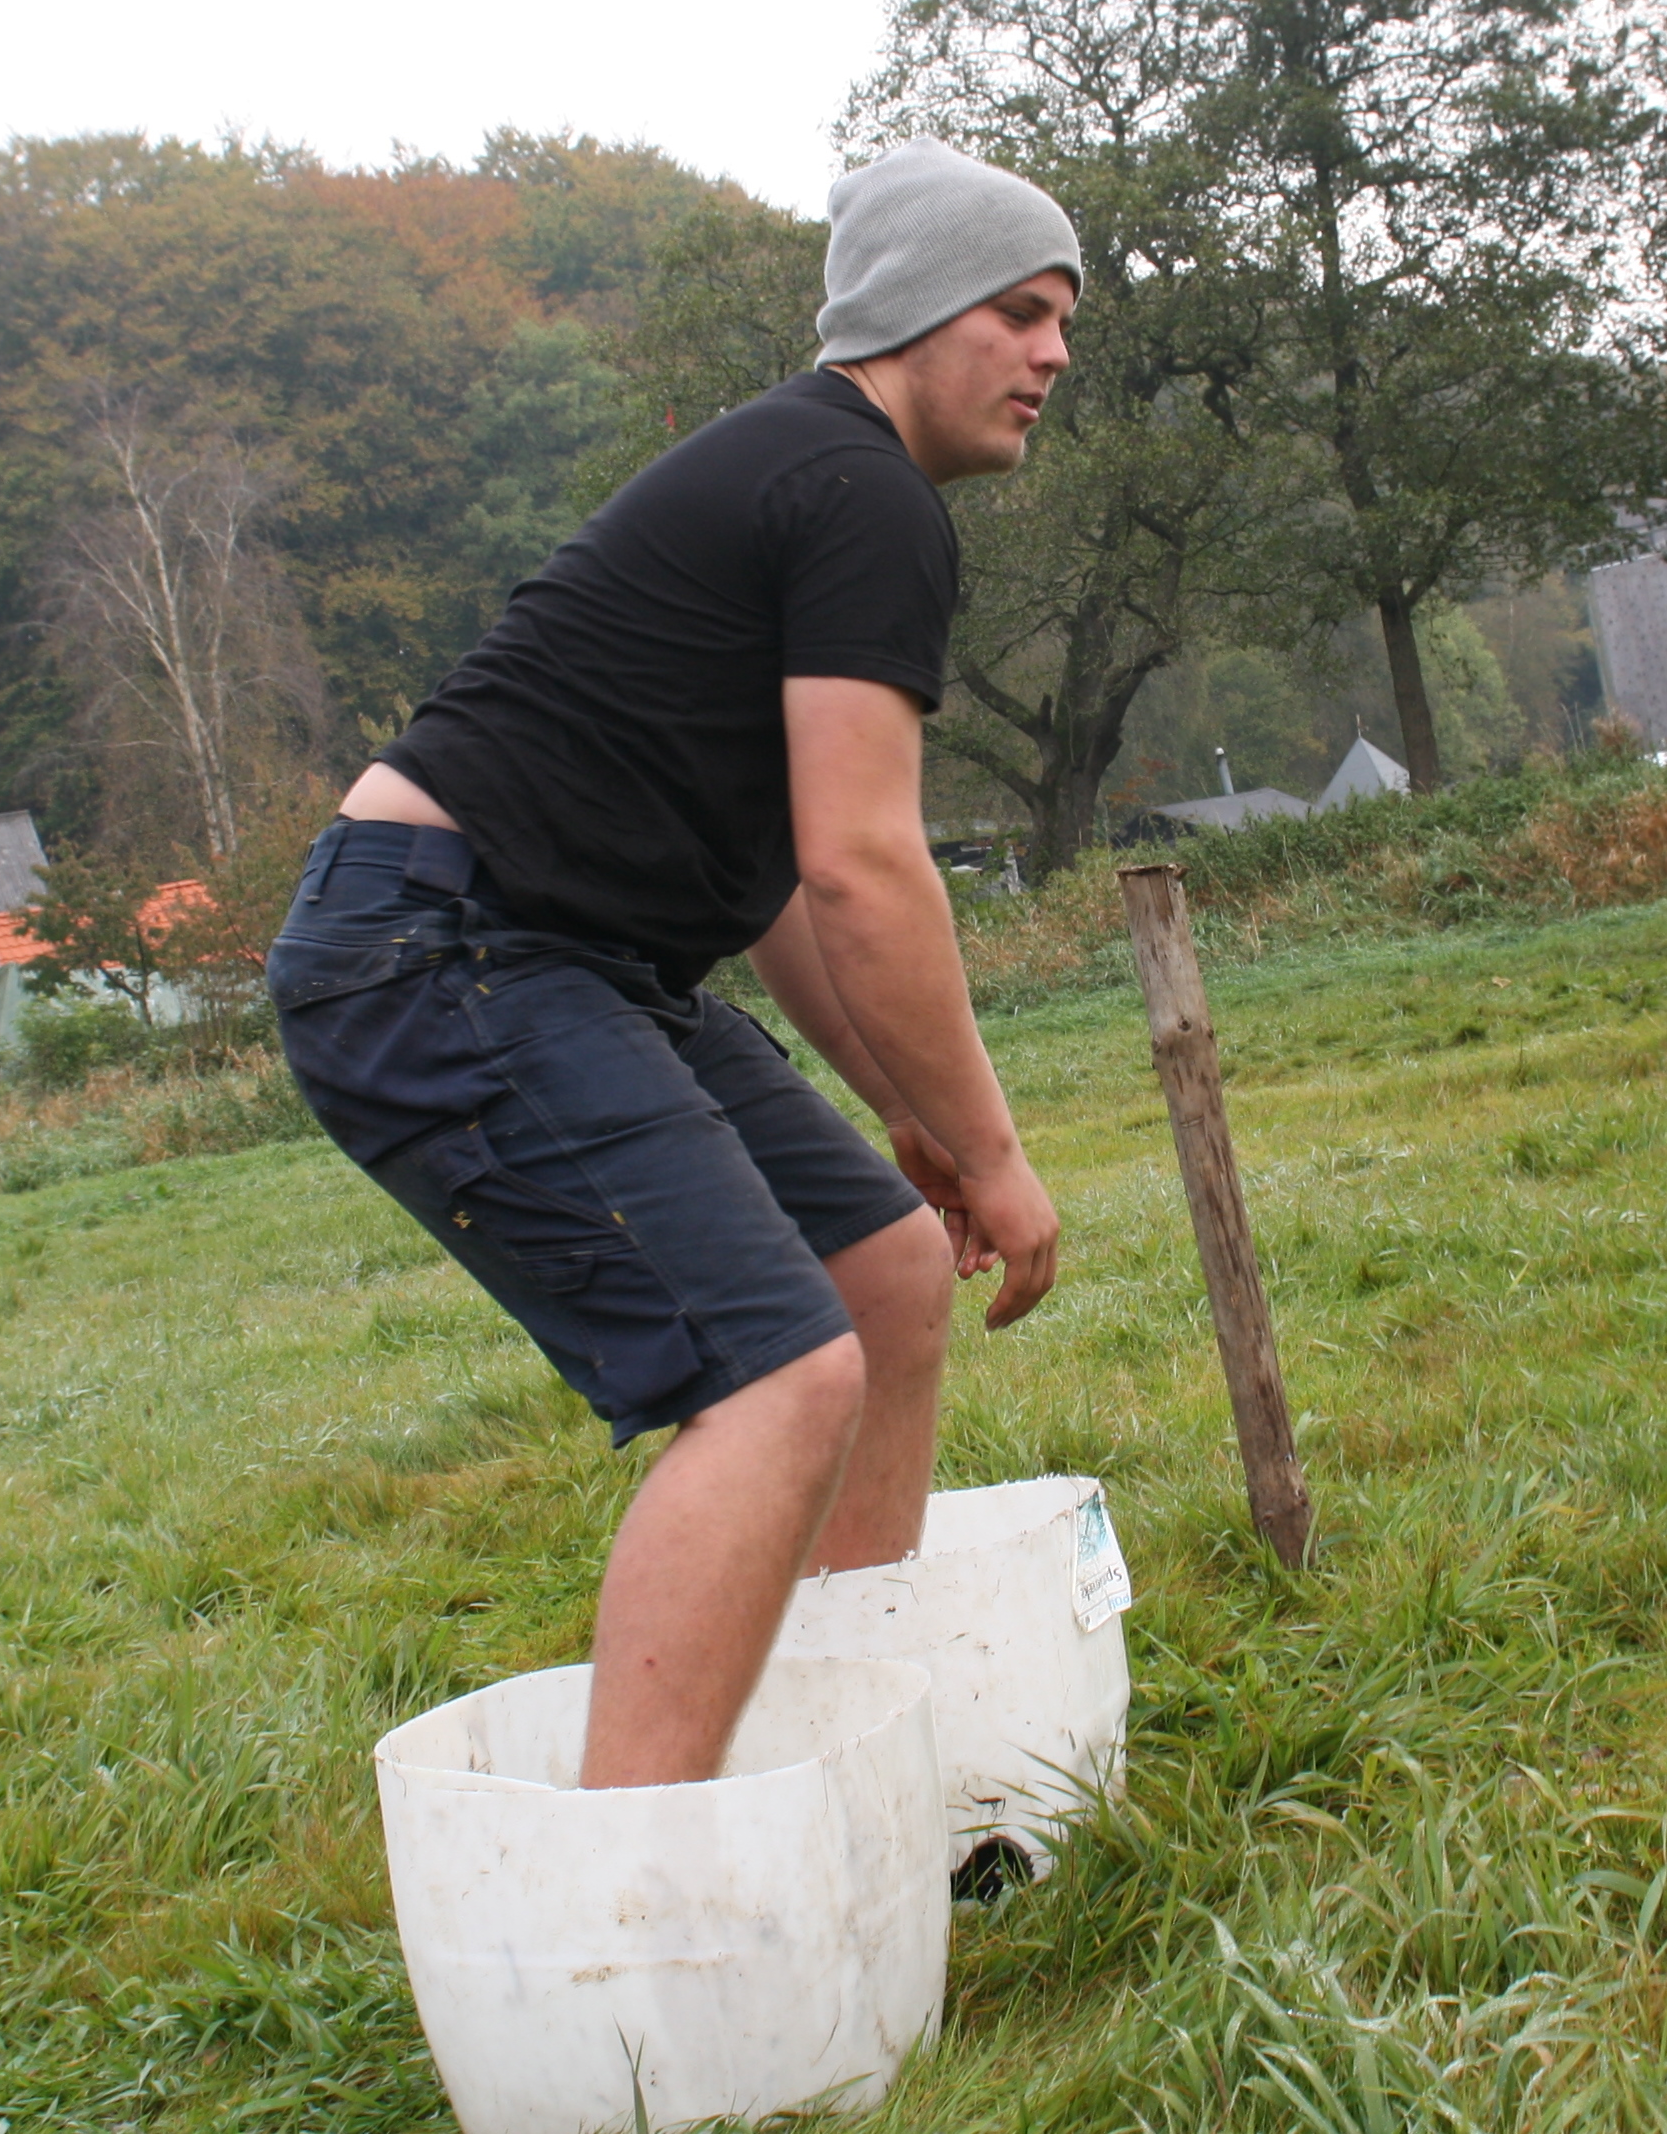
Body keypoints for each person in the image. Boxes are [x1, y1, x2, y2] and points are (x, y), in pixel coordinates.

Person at [264, 138, 1073, 1790]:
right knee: (780, 1370)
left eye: (1064, 321)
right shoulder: (861, 491)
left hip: (564, 949)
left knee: (884, 1267)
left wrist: (911, 1114)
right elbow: (866, 868)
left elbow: (782, 890)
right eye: (1021, 312)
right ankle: (642, 1879)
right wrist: (993, 1150)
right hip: (442, 943)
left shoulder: (810, 477)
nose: (1054, 354)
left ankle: (839, 1759)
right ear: (914, 313)